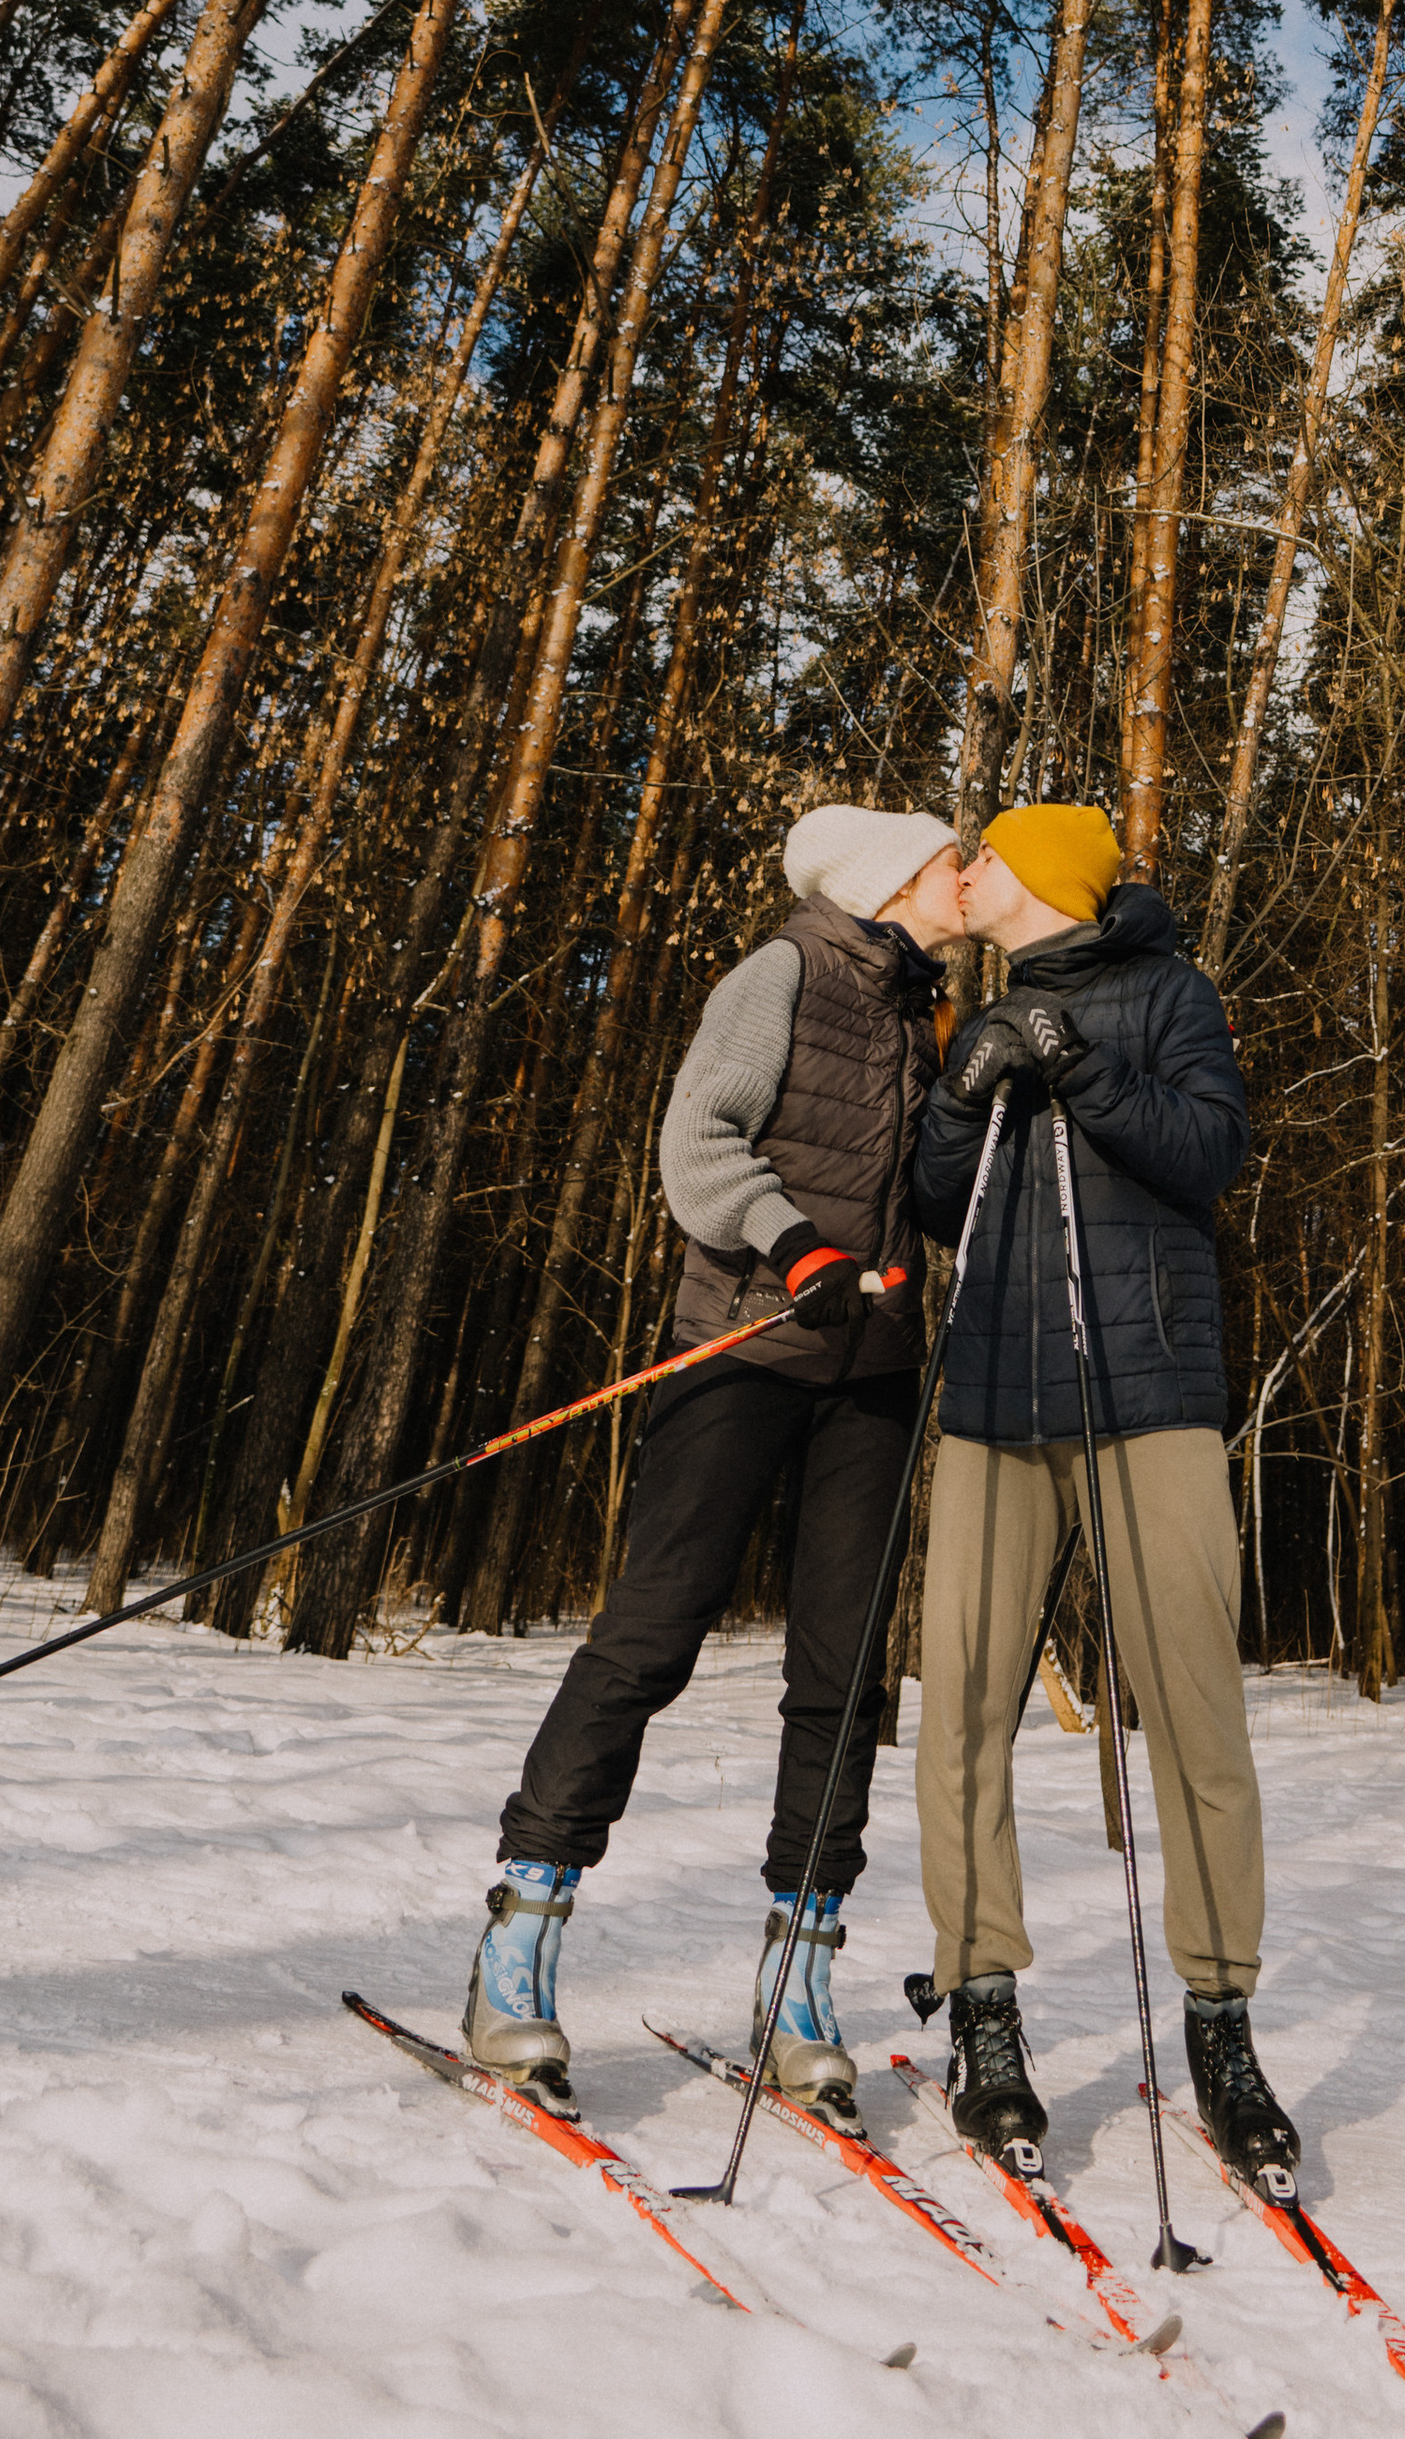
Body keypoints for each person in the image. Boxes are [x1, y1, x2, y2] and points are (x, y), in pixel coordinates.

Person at [464, 801, 963, 2119]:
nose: (966, 874)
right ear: (884, 879)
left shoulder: (929, 1012)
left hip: (875, 1376)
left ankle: (798, 1976)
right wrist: (791, 1243)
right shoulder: (782, 973)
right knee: (649, 1637)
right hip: (744, 1350)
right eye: (948, 856)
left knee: (845, 1673)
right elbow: (699, 1144)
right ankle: (521, 1941)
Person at [909, 800, 1298, 2186]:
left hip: (1149, 1398)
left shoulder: (1166, 991)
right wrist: (964, 1093)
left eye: (991, 855)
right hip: (993, 1403)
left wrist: (1080, 1069)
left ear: (1050, 879)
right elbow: (935, 1200)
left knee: (1194, 1706)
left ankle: (1220, 2021)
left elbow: (1210, 1154)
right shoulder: (984, 1011)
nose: (973, 871)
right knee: (956, 1702)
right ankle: (986, 2010)